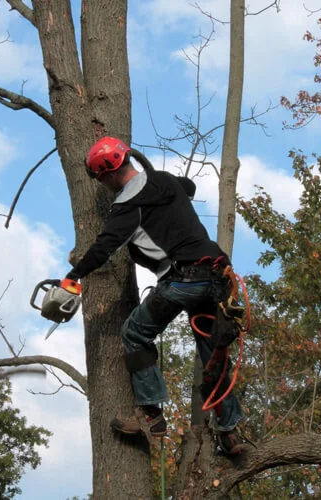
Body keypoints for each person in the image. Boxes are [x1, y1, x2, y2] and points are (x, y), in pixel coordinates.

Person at [66, 136, 244, 456]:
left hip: (183, 280)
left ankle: (151, 416)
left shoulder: (126, 207)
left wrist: (73, 277)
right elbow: (187, 186)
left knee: (134, 333)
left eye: (102, 179)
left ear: (107, 174)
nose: (103, 185)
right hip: (218, 278)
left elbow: (104, 248)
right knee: (211, 354)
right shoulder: (165, 181)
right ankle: (230, 433)